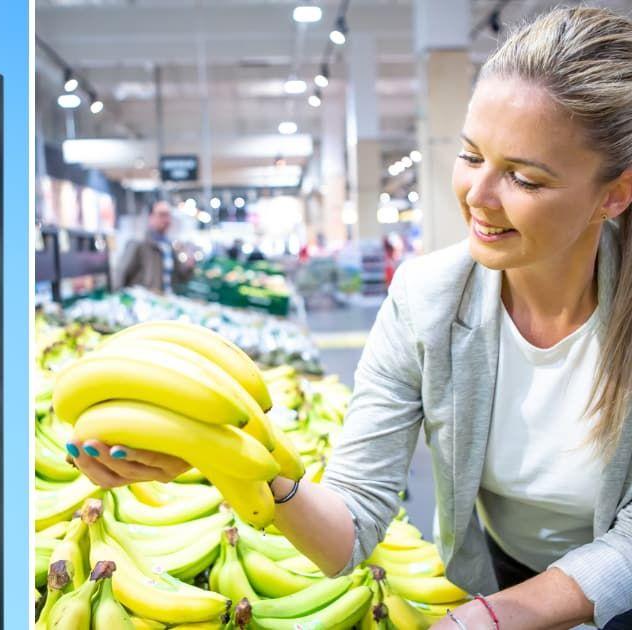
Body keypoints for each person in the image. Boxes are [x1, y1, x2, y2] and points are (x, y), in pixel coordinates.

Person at [66, 8, 632, 628]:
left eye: (523, 178)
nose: (477, 195)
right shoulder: (427, 300)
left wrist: (497, 619)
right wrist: (228, 455)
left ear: (614, 194)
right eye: (471, 156)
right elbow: (352, 523)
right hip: (500, 574)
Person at [117, 200, 178, 293]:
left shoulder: (169, 246)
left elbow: (176, 276)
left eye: (168, 216)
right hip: (143, 300)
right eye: (162, 215)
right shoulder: (138, 243)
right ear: (151, 217)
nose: (166, 220)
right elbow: (122, 273)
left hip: (165, 298)